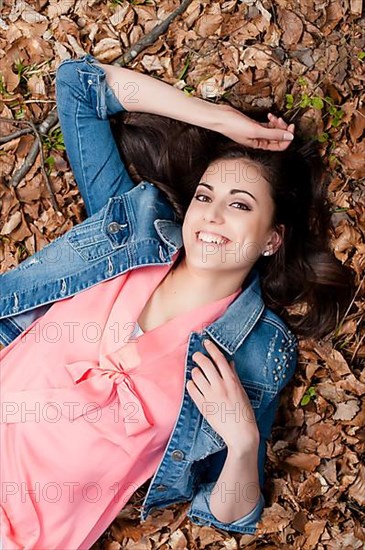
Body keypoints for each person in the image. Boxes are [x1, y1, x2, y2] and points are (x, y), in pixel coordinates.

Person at [0, 54, 351, 549]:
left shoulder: (256, 351)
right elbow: (79, 85)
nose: (213, 217)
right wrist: (217, 119)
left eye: (240, 206)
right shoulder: (130, 230)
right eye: (206, 197)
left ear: (272, 239)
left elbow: (230, 514)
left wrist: (242, 439)